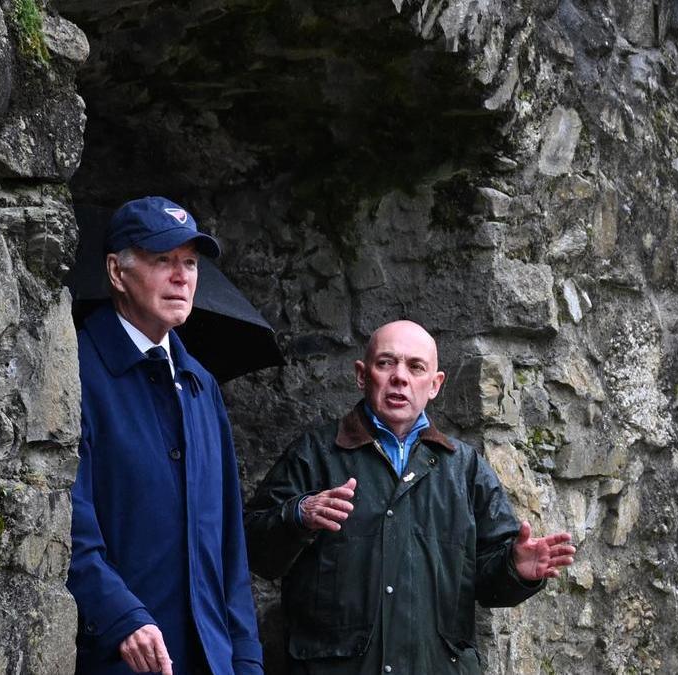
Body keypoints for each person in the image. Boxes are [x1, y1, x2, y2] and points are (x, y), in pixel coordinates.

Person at [244, 320, 576, 674]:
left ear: (435, 385)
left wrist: (517, 569)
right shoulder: (314, 455)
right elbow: (252, 547)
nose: (400, 377)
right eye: (386, 363)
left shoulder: (465, 469)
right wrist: (298, 515)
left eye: (415, 367)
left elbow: (489, 583)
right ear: (361, 375)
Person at [68, 196, 263, 675]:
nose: (182, 277)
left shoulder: (201, 386)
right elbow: (65, 521)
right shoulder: (76, 372)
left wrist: (246, 659)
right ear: (117, 273)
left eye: (190, 263)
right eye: (163, 261)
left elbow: (229, 548)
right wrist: (120, 616)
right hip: (120, 660)